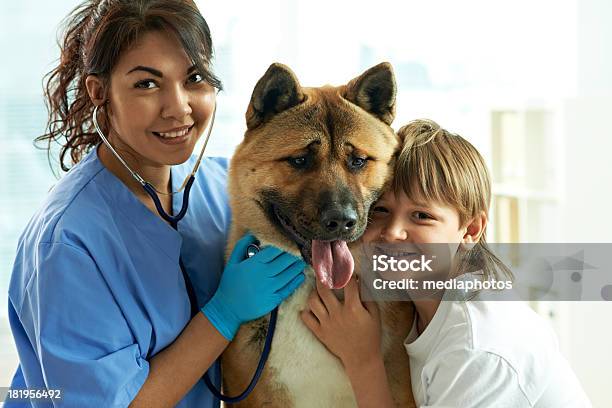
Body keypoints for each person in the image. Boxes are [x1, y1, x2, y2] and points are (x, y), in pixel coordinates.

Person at [7, 1, 306, 406]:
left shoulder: (225, 191)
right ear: (99, 92)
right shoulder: (67, 243)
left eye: (195, 78)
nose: (179, 107)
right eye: (147, 84)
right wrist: (223, 315)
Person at [301, 119, 591, 407]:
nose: (392, 232)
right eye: (380, 210)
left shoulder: (477, 347)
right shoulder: (423, 304)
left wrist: (363, 361)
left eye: (421, 216)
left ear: (471, 230)